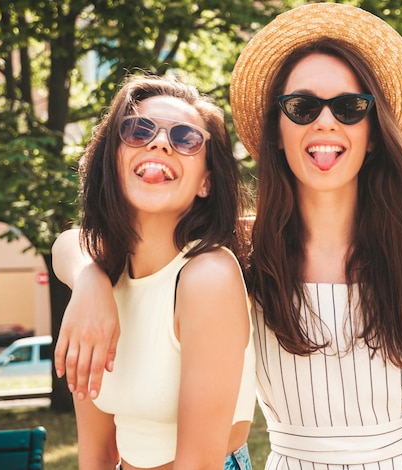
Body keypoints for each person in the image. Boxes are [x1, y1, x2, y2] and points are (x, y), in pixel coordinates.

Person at [53, 4, 402, 469]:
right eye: (302, 106)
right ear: (277, 130)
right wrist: (90, 278)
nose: (327, 120)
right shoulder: (242, 250)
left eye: (351, 106)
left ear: (373, 132)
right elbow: (84, 240)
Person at [53, 74, 256, 470]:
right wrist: (88, 279)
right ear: (112, 160)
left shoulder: (207, 277)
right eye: (137, 130)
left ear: (206, 182)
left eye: (185, 139)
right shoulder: (96, 281)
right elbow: (95, 456)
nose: (160, 142)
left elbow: (199, 464)